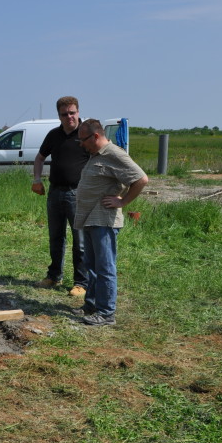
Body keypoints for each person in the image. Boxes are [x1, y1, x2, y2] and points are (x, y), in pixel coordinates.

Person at [73, 118, 148, 326]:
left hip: (103, 220)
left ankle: (106, 313)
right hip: (89, 219)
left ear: (96, 136)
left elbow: (141, 179)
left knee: (105, 267)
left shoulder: (114, 154)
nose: (81, 144)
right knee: (91, 265)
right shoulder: (95, 154)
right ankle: (92, 305)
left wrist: (122, 201)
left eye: (83, 140)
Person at [32, 96, 89, 297]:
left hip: (79, 194)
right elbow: (40, 158)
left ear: (78, 112)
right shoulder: (53, 135)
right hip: (55, 192)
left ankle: (81, 282)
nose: (69, 117)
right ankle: (54, 276)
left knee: (80, 241)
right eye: (65, 114)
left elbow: (100, 159)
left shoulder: (86, 135)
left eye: (72, 113)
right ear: (59, 116)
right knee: (56, 237)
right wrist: (37, 179)